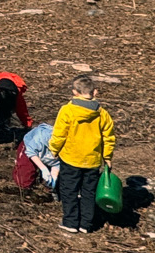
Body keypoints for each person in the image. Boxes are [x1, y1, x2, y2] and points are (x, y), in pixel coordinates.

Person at [48, 75, 117, 234]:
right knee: (88, 192)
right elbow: (109, 137)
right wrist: (107, 157)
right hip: (92, 161)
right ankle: (86, 224)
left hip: (71, 158)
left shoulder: (67, 111)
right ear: (95, 92)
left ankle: (70, 222)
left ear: (74, 92)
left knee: (69, 190)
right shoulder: (102, 114)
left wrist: (54, 149)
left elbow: (59, 134)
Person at [21, 120, 61, 193]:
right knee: (24, 179)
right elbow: (31, 152)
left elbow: (57, 163)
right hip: (28, 147)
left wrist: (54, 175)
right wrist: (43, 168)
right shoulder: (40, 137)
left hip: (46, 156)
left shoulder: (65, 147)